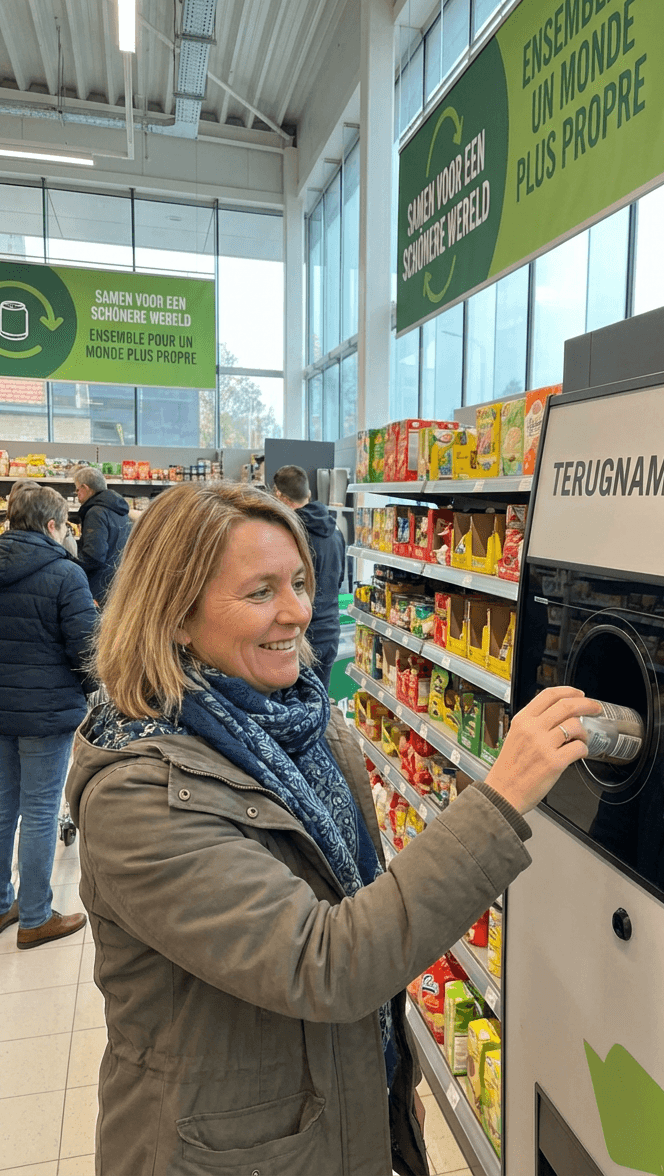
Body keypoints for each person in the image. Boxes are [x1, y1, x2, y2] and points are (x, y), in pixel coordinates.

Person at [65, 480, 600, 1176]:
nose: (297, 612)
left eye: (298, 581)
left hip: (335, 1112)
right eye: (260, 593)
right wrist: (497, 799)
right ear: (174, 616)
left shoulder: (304, 723)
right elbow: (326, 962)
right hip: (226, 1153)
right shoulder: (139, 794)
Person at [0, 485, 96, 948]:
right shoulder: (64, 574)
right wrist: (93, 690)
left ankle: (2, 904)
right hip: (46, 711)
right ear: (54, 526)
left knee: (2, 809)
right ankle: (36, 916)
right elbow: (85, 650)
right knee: (39, 810)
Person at [272, 464, 346, 692]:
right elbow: (340, 579)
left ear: (279, 496)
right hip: (330, 630)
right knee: (319, 702)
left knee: (291, 708)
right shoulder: (336, 532)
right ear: (309, 494)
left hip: (298, 635)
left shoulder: (289, 535)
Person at [72, 465, 131, 604]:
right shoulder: (118, 509)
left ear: (85, 488)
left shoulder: (96, 512)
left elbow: (94, 556)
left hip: (98, 587)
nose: (77, 493)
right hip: (116, 582)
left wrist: (71, 563)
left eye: (77, 489)